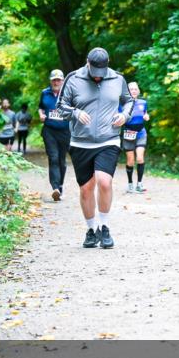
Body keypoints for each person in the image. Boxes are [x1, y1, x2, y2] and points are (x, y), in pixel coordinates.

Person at [56, 48, 132, 249]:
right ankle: (91, 230)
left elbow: (129, 102)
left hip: (109, 139)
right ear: (87, 63)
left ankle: (105, 227)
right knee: (86, 188)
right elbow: (60, 106)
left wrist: (124, 116)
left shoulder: (117, 79)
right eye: (94, 72)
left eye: (102, 72)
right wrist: (75, 112)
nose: (98, 78)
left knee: (104, 182)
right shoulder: (73, 79)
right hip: (81, 141)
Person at [39, 69, 70, 201]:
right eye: (54, 80)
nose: (56, 82)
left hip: (64, 131)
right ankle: (55, 188)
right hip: (49, 130)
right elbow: (40, 106)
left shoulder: (68, 94)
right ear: (51, 81)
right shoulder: (44, 93)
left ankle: (60, 186)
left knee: (62, 161)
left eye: (59, 80)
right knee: (53, 157)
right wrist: (41, 114)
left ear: (63, 81)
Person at [121, 81, 150, 194]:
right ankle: (130, 184)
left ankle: (139, 184)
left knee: (140, 158)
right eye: (131, 89)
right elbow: (119, 117)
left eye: (135, 89)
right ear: (128, 92)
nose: (133, 91)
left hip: (141, 133)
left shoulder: (143, 102)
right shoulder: (123, 104)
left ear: (138, 91)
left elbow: (145, 114)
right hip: (128, 133)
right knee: (130, 160)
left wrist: (147, 116)